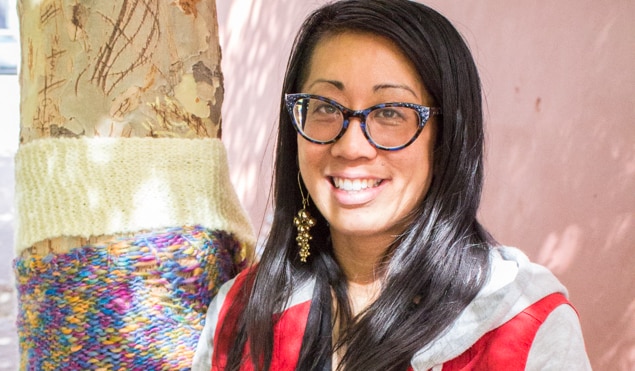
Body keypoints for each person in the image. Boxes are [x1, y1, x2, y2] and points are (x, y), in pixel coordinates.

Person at [192, 0, 592, 370]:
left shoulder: (523, 327)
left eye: (390, 112)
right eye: (327, 107)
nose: (351, 146)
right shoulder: (239, 313)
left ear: (448, 137)